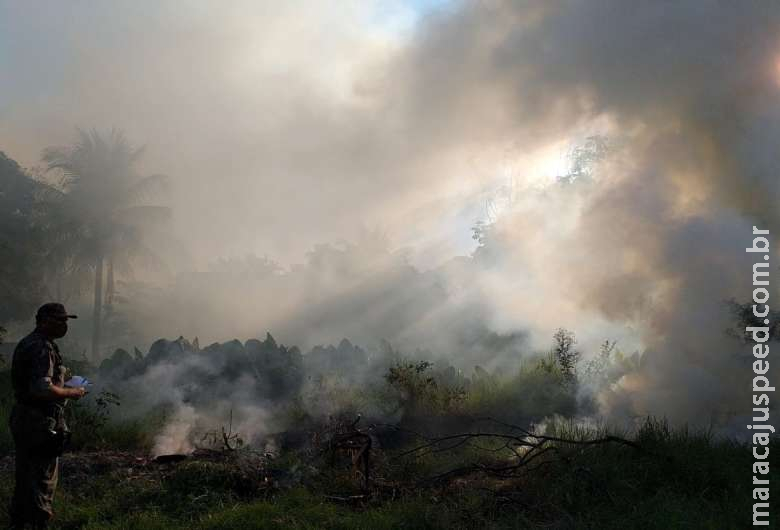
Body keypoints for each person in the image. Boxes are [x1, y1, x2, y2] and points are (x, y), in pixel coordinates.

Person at [8, 303, 87, 529]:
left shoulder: (30, 343)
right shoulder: (41, 347)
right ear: (44, 321)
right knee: (41, 481)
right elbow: (42, 389)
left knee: (26, 479)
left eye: (66, 320)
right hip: (39, 422)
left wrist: (63, 384)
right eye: (60, 320)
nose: (64, 325)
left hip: (27, 418)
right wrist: (72, 392)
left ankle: (20, 523)